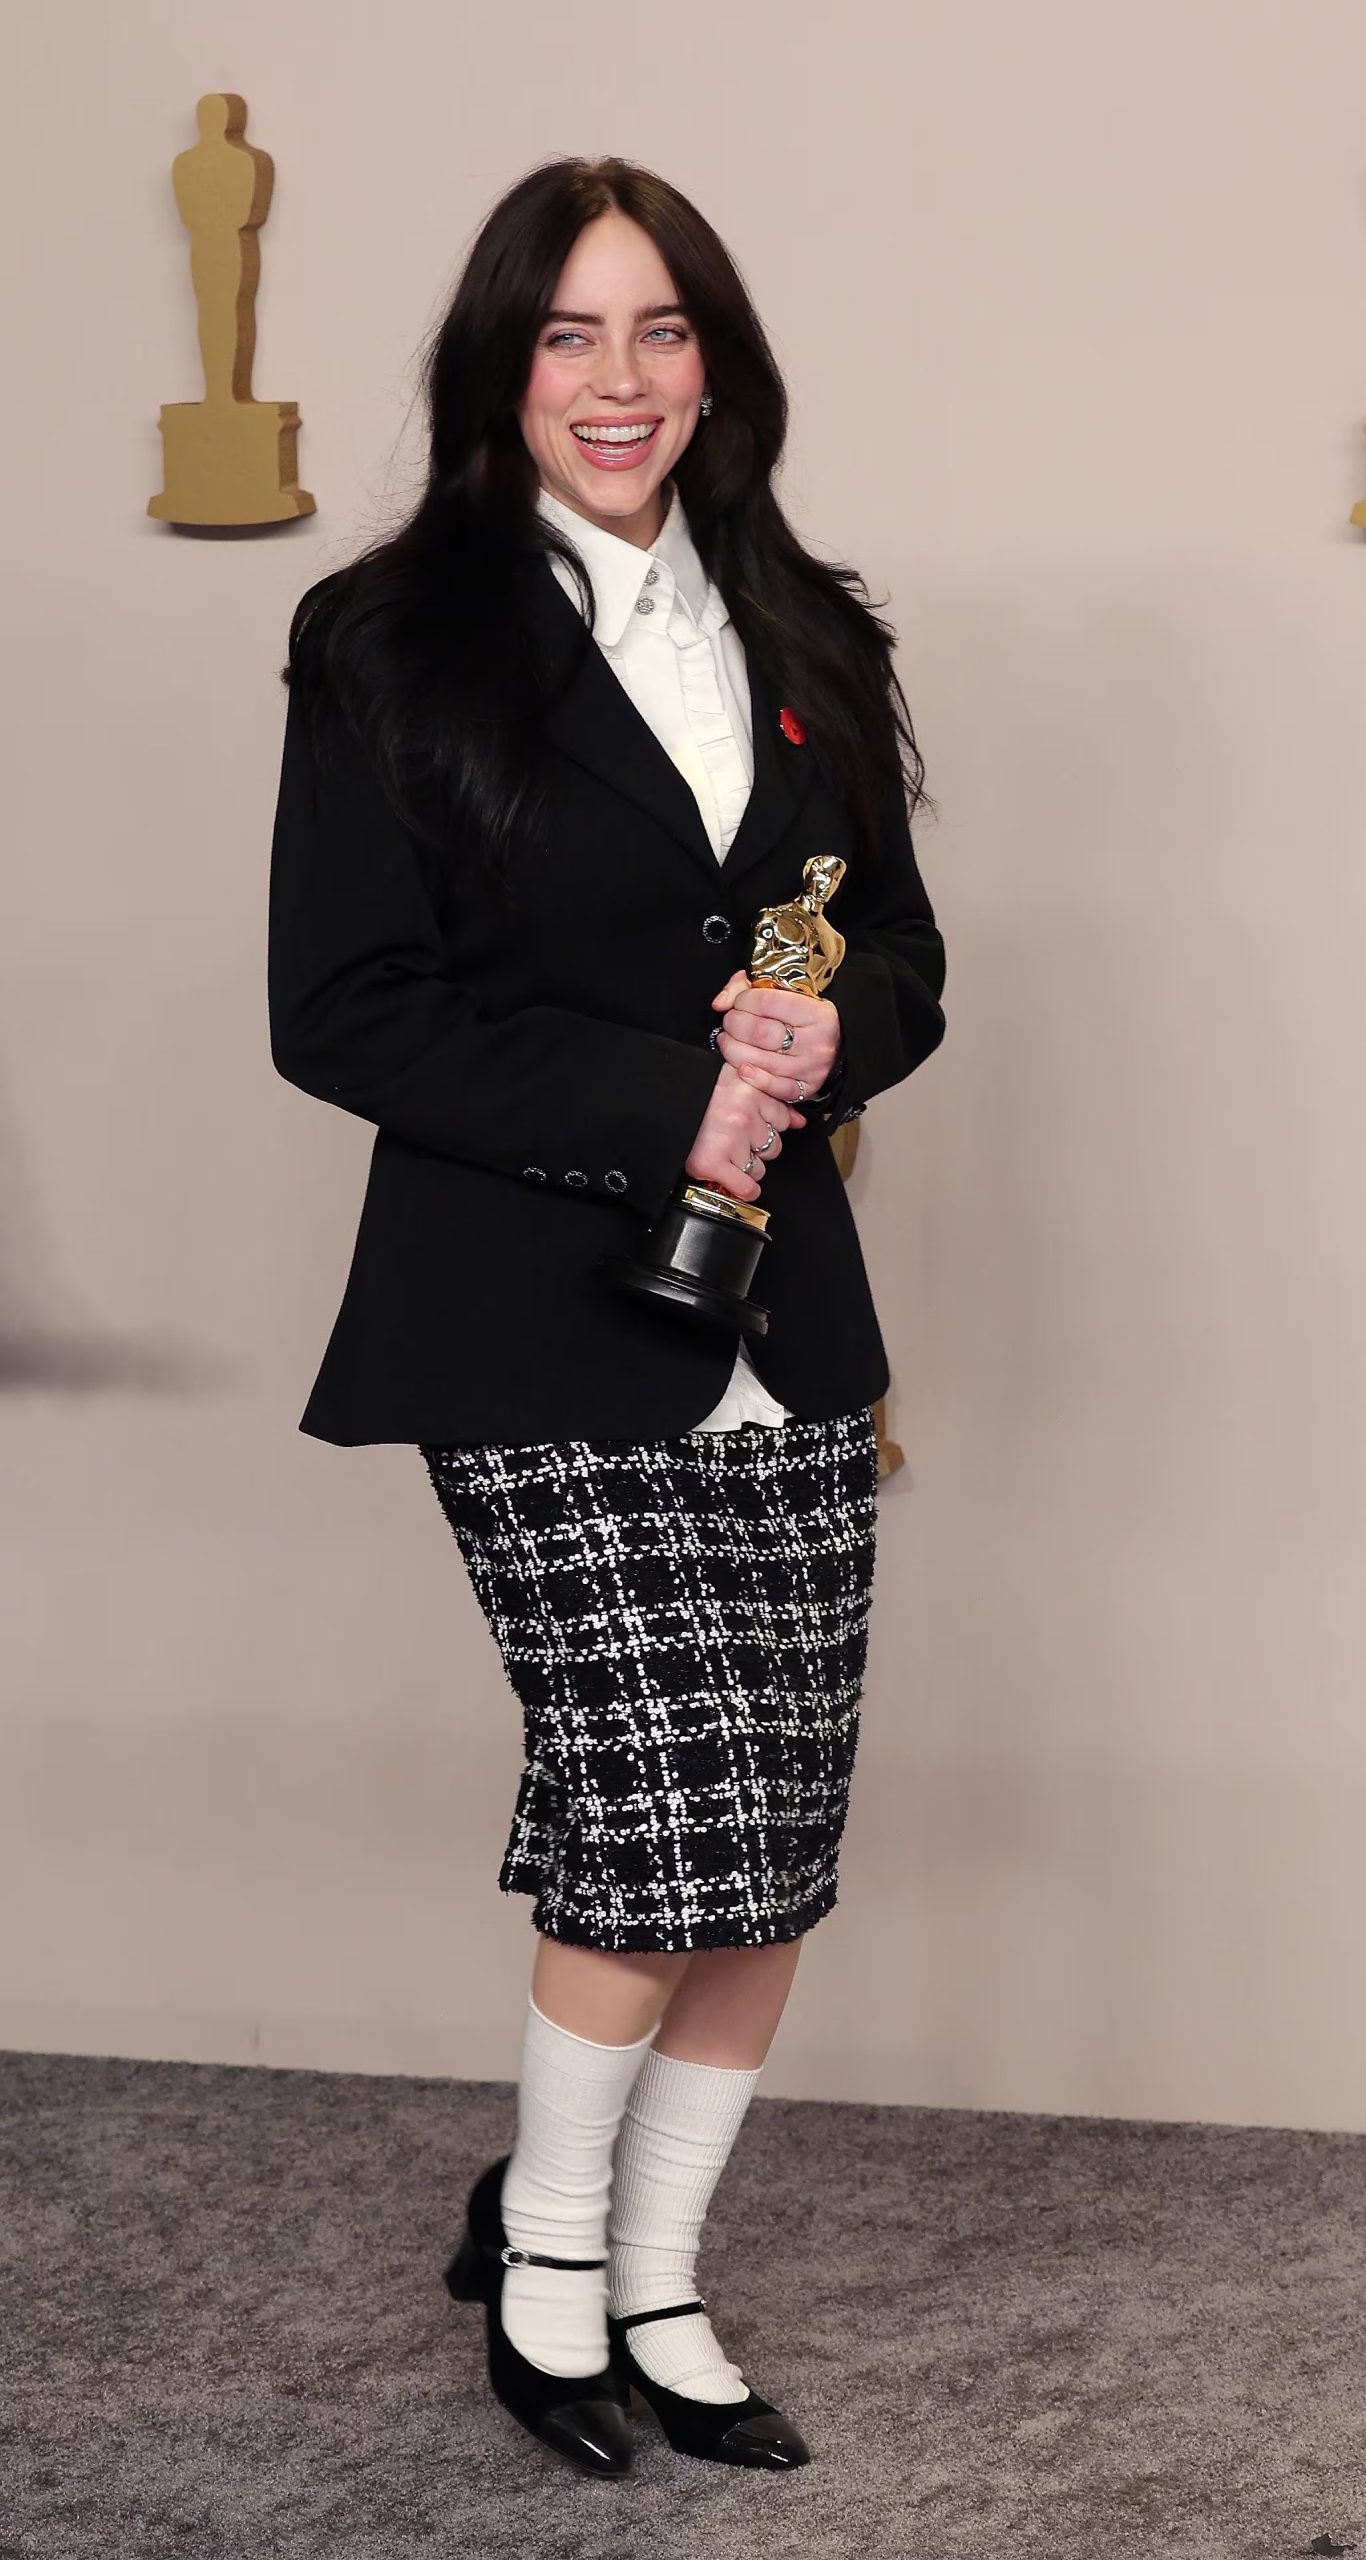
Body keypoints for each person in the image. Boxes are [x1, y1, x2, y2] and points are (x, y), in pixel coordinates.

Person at [266, 154, 946, 2480]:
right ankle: (551, 2265)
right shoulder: (388, 639)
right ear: (499, 367)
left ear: (717, 365)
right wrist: (684, 1090)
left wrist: (826, 1034)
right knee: (663, 1827)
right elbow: (343, 1009)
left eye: (661, 331)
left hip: (792, 1326)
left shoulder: (814, 635)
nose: (621, 378)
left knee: (773, 1833)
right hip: (539, 1311)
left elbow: (909, 966)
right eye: (571, 333)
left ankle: (660, 2274)